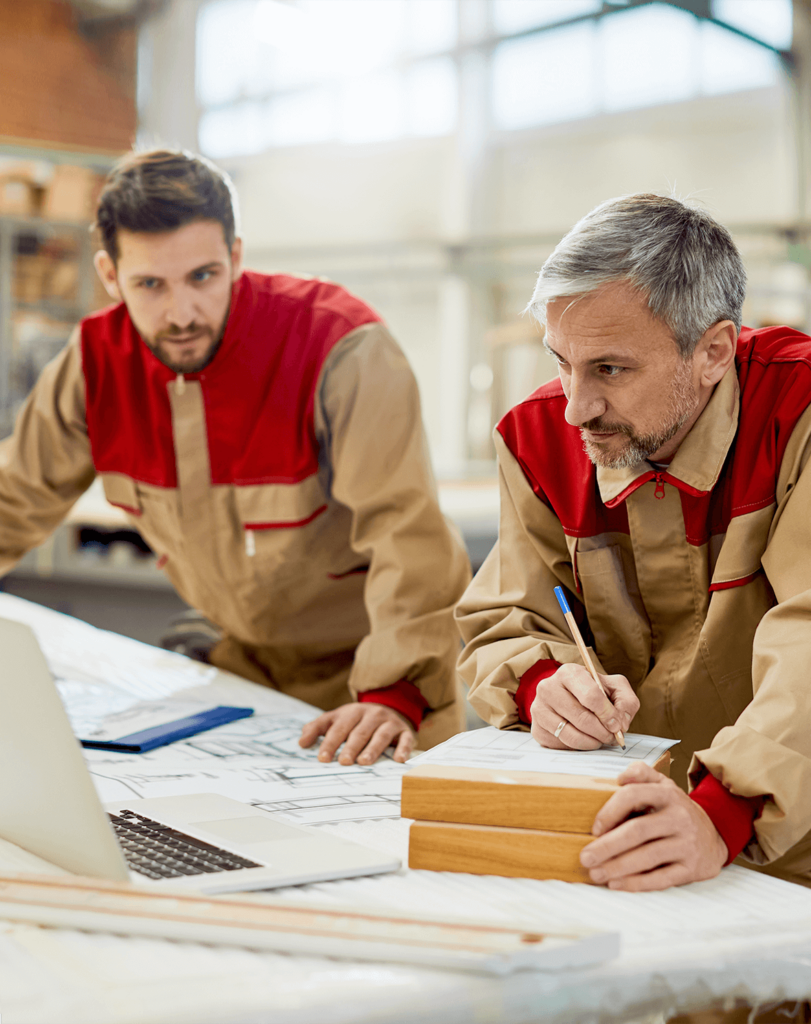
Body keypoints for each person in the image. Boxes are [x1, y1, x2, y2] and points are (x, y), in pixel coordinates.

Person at [0, 148, 471, 764]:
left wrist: (394, 691)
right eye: (150, 284)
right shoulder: (93, 367)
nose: (182, 314)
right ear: (110, 276)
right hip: (239, 673)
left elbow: (408, 538)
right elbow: (13, 498)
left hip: (375, 688)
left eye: (203, 276)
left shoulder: (340, 347)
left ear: (236, 259)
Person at [456, 194, 811, 891]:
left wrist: (723, 811)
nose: (574, 406)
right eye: (561, 361)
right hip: (650, 826)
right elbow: (505, 618)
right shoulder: (537, 440)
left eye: (609, 370)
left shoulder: (797, 414)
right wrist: (543, 687)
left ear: (712, 351)